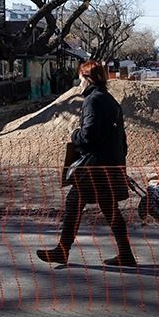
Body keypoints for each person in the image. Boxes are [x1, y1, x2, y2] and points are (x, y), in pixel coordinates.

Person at [37, 61, 135, 268]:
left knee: (74, 203)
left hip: (94, 166)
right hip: (110, 164)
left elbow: (88, 134)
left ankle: (62, 251)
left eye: (80, 78)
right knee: (110, 209)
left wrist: (75, 135)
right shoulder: (110, 101)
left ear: (87, 78)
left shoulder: (92, 101)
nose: (78, 83)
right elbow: (122, 139)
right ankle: (125, 254)